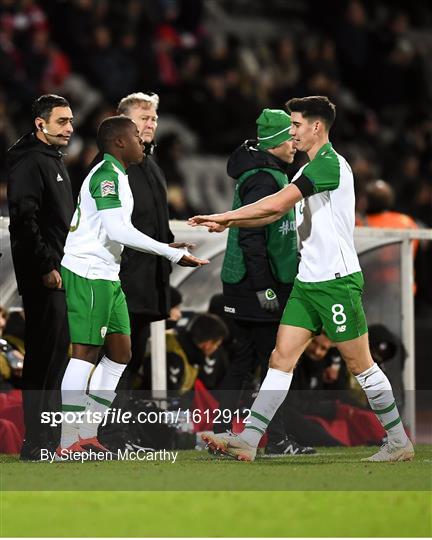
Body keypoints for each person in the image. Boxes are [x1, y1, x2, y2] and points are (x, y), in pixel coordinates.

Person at [189, 95, 414, 463]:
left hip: (336, 282)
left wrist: (227, 216)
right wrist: (228, 222)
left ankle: (398, 440)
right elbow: (270, 216)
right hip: (308, 283)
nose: (291, 132)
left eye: (295, 125)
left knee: (361, 365)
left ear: (316, 127)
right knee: (280, 359)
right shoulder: (305, 169)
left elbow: (276, 205)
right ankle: (249, 439)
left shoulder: (329, 165)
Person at [57, 115, 208, 457]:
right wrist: (170, 253)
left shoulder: (120, 175)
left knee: (121, 353)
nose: (143, 142)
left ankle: (88, 433)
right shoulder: (107, 176)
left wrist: (172, 249)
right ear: (119, 142)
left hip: (108, 274)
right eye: (137, 137)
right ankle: (69, 440)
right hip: (89, 273)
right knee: (84, 355)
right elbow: (118, 231)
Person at [214, 108, 313, 455]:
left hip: (246, 282)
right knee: (277, 361)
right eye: (289, 137)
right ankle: (278, 440)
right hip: (257, 284)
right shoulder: (263, 179)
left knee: (243, 361)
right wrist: (264, 287)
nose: (295, 143)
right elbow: (252, 238)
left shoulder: (267, 174)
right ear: (273, 142)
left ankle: (221, 432)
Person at [7, 94, 75, 460]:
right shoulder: (30, 161)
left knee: (55, 360)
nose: (70, 127)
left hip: (61, 273)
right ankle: (36, 441)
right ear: (40, 123)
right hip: (46, 276)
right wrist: (47, 265)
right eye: (62, 121)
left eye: (70, 120)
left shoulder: (51, 159)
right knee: (43, 358)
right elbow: (24, 219)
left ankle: (49, 438)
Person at [116, 92, 192, 380]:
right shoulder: (114, 166)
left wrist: (172, 248)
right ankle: (109, 424)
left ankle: (120, 422)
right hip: (123, 283)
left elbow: (153, 223)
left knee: (133, 359)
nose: (151, 124)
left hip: (149, 283)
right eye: (144, 118)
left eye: (154, 119)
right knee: (115, 359)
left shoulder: (153, 167)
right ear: (122, 122)